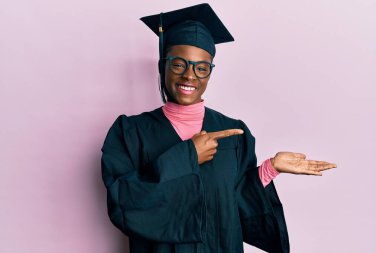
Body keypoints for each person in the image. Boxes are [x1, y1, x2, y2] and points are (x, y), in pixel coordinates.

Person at [100, 3, 336, 253]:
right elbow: (124, 201)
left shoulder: (233, 133)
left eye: (201, 68)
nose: (190, 76)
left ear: (209, 74)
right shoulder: (130, 132)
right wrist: (188, 156)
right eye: (179, 64)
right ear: (163, 65)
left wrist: (269, 169)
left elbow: (236, 203)